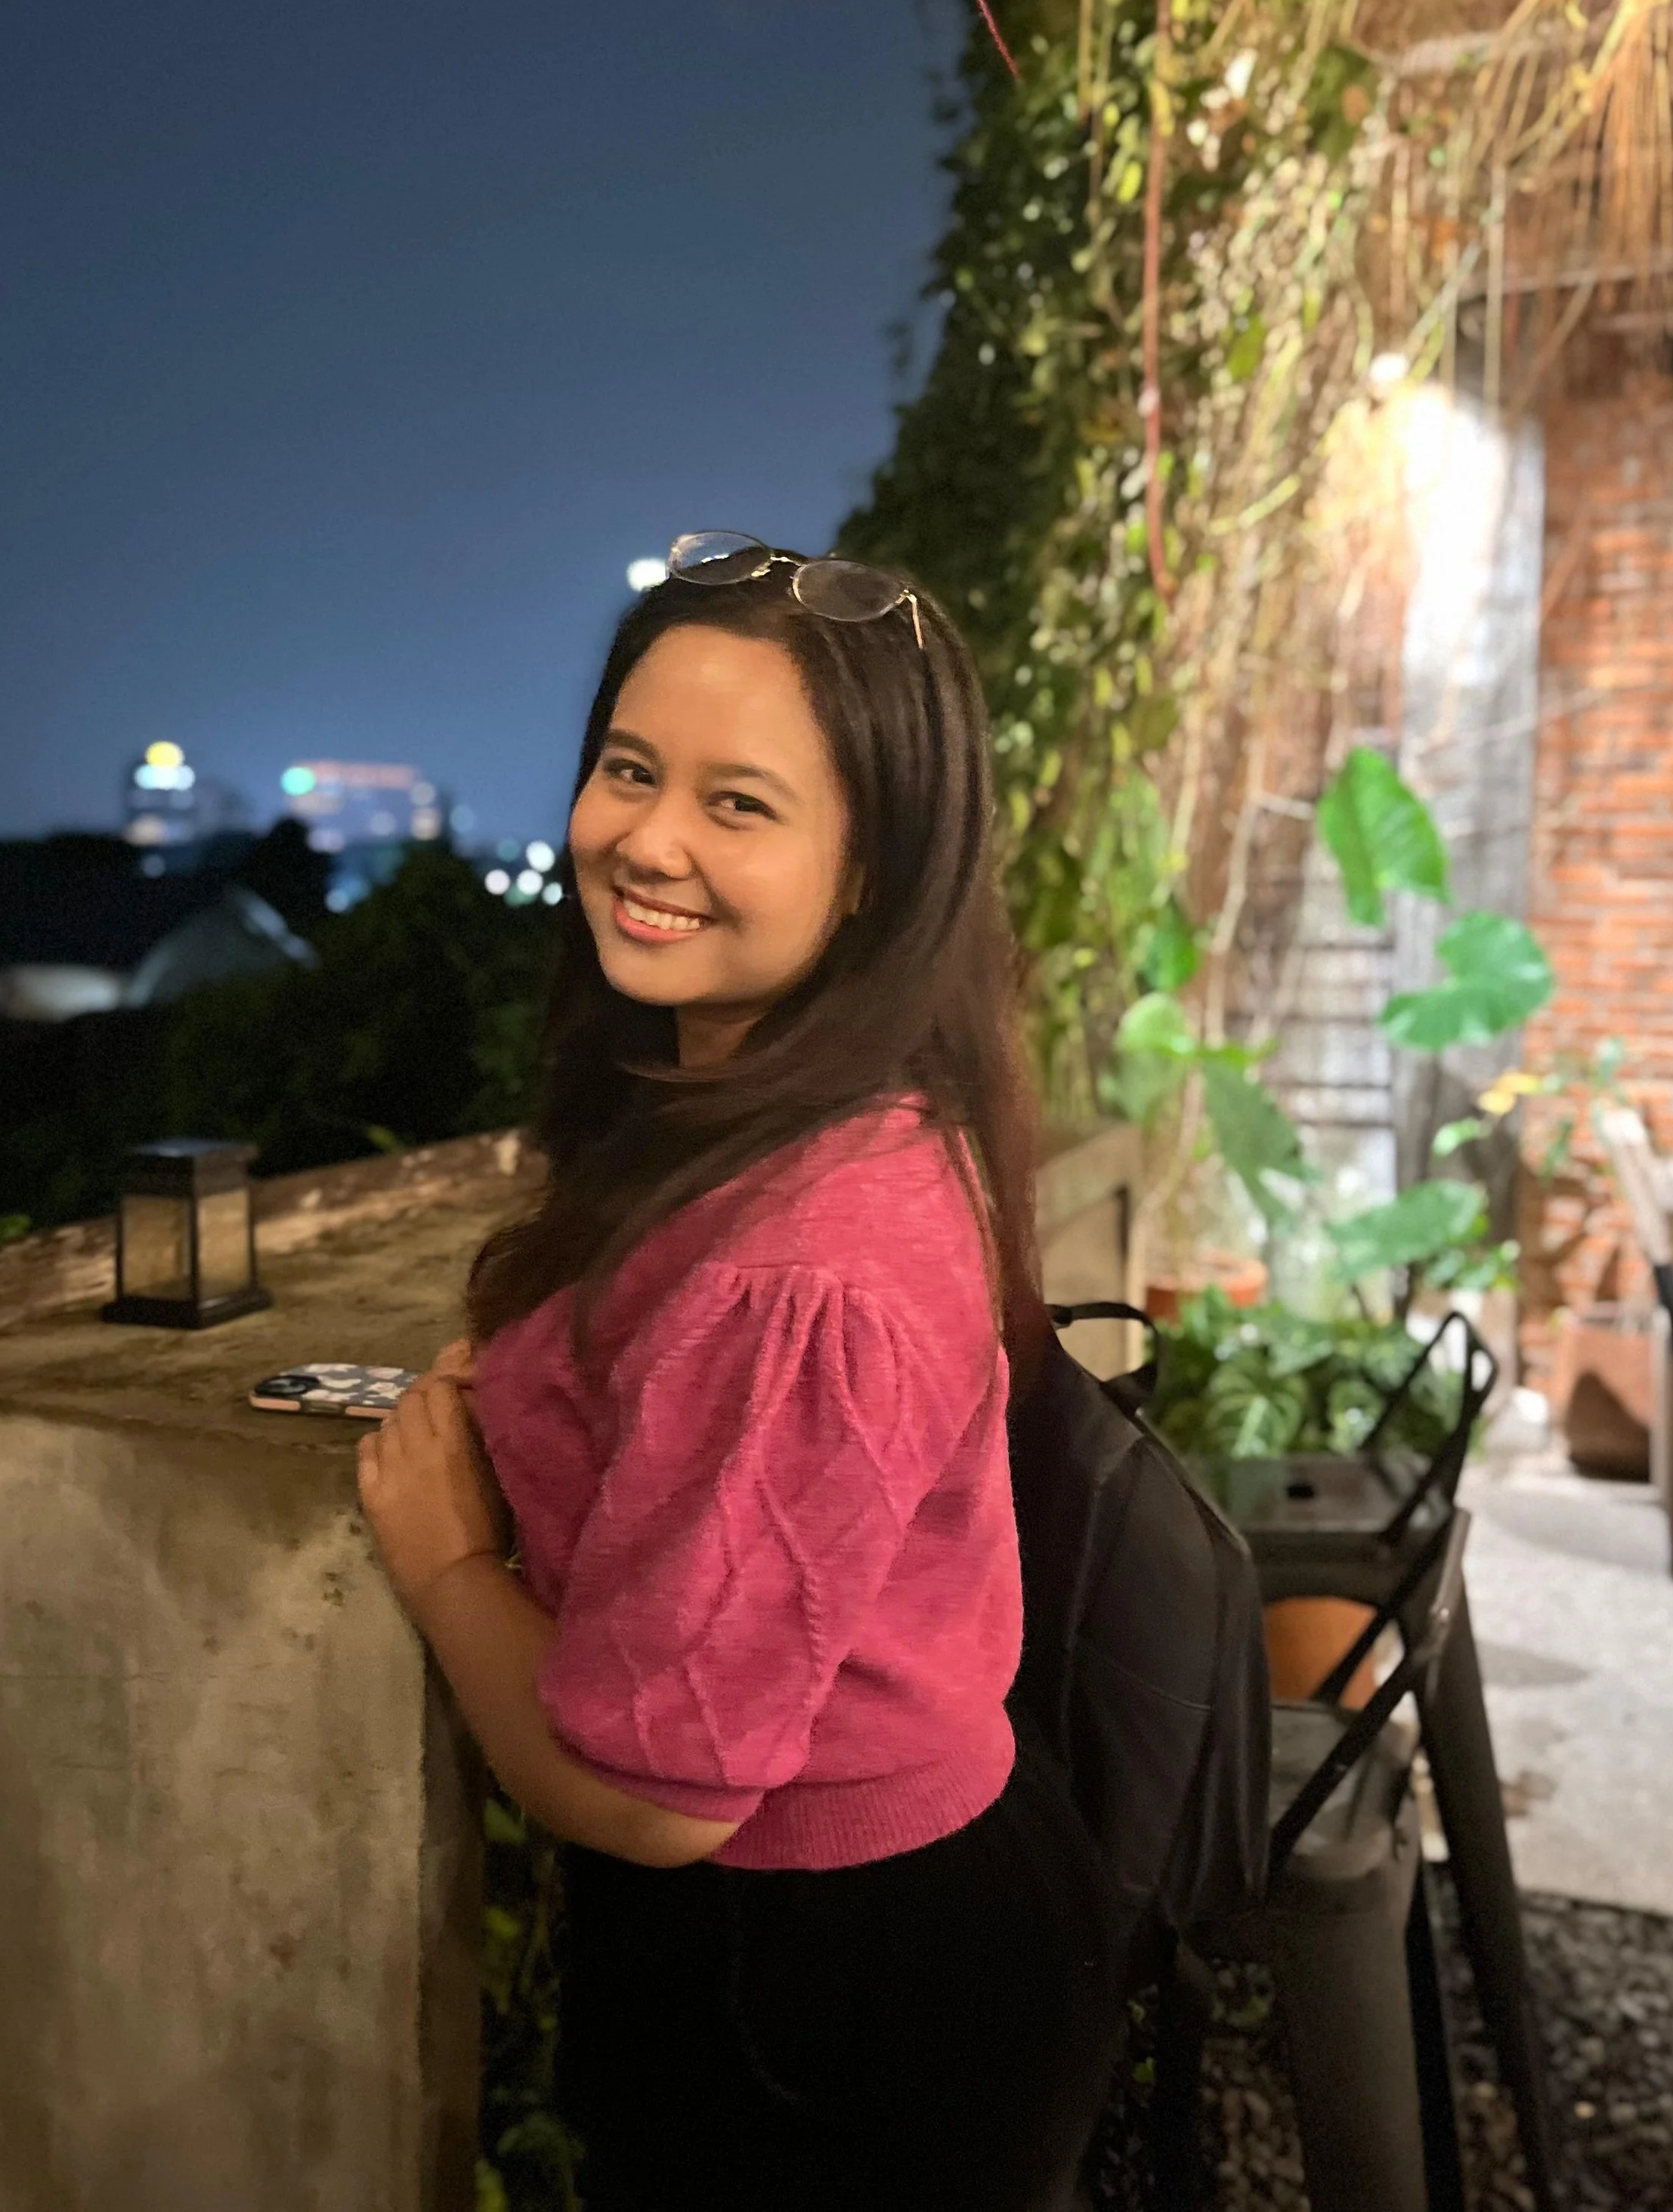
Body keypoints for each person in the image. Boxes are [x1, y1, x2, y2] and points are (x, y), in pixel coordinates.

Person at [355, 534, 1127, 2212]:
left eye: (739, 804)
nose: (646, 840)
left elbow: (650, 1800)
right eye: (629, 770)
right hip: (891, 1925)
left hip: (829, 1998)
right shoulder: (804, 1112)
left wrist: (442, 1555)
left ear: (870, 871)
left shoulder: (806, 1263)